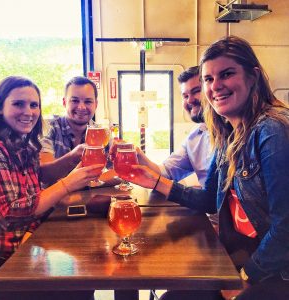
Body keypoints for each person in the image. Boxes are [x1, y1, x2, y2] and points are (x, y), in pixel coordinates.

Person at [120, 36, 289, 299]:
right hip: (244, 255)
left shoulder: (271, 129)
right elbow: (210, 199)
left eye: (227, 74)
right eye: (209, 79)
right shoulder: (228, 134)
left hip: (276, 269)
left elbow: (286, 227)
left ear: (253, 76)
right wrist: (152, 180)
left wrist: (246, 276)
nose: (216, 86)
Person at [0, 76, 102, 300]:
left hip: (30, 238)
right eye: (18, 104)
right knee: (83, 281)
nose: (28, 111)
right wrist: (69, 182)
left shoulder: (23, 142)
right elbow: (8, 214)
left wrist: (73, 159)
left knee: (89, 268)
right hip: (4, 259)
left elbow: (37, 176)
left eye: (34, 105)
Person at [135, 66, 212, 188]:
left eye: (196, 91)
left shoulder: (238, 132)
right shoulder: (195, 137)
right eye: (185, 96)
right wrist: (138, 156)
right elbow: (166, 172)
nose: (190, 100)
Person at [40, 76, 98, 185]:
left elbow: (114, 174)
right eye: (75, 101)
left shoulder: (100, 132)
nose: (81, 107)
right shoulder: (48, 127)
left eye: (88, 102)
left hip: (88, 198)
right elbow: (44, 174)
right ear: (64, 102)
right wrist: (72, 157)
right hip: (55, 200)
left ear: (96, 104)